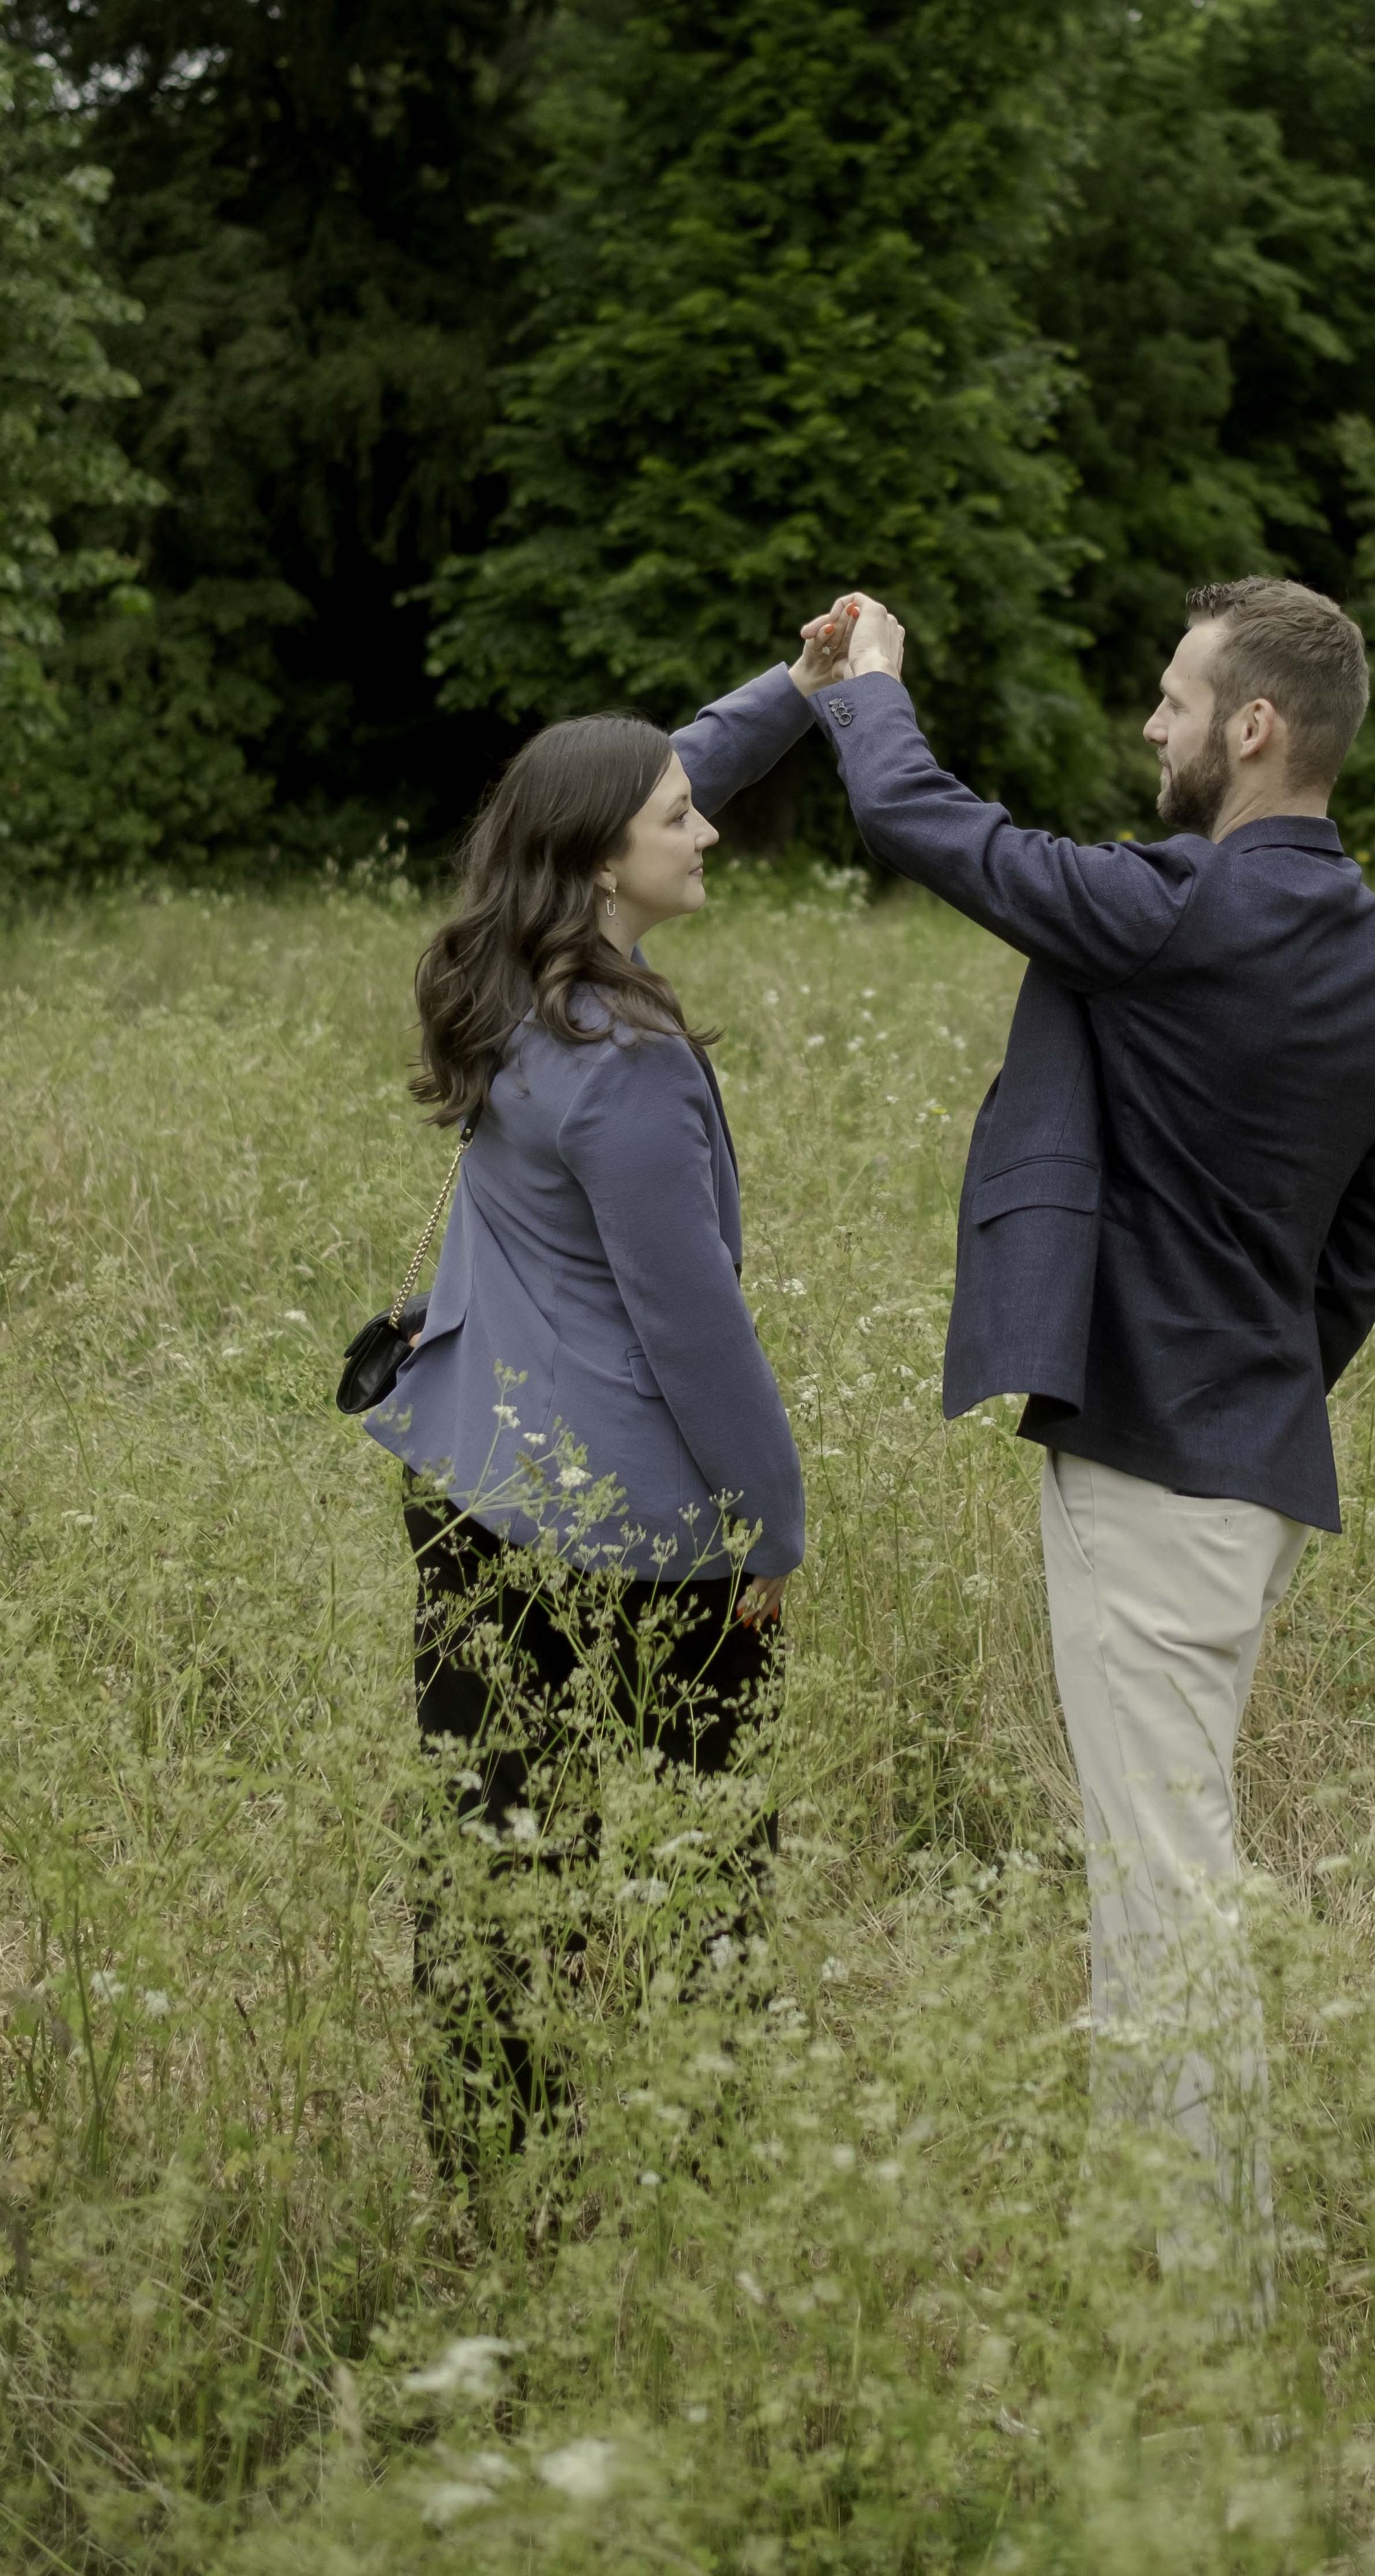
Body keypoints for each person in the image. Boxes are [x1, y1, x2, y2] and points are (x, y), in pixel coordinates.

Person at [800, 579, 1375, 2257]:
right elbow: (1369, 1245)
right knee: (1161, 1857)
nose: (1146, 729)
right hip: (1249, 1472)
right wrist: (1252, 1378)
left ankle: (1199, 2303)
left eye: (1170, 701)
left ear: (1250, 729)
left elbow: (930, 828)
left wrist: (869, 678)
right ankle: (1150, 2244)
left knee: (1161, 1881)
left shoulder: (1172, 909)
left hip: (1156, 1469)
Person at [361, 616, 849, 2160]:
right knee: (707, 1864)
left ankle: (490, 2165)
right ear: (600, 864)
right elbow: (692, 1332)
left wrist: (796, 691)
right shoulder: (621, 1065)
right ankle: (707, 2150)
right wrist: (769, 1533)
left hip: (469, 1490)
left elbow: (649, 772)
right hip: (634, 1532)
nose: (703, 826)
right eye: (675, 822)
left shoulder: (500, 979)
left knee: (499, 1842)